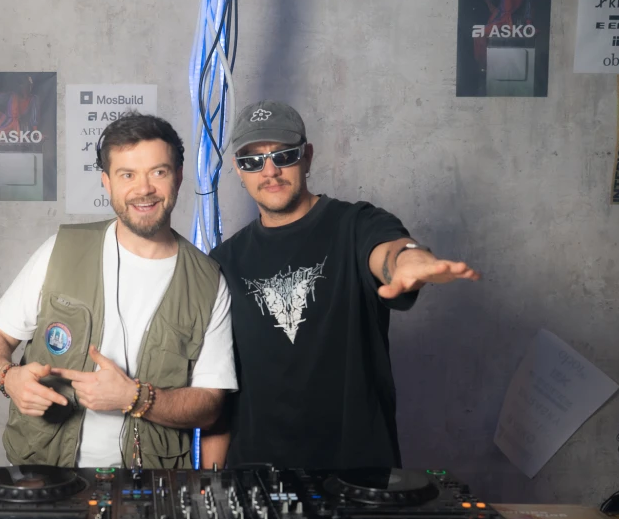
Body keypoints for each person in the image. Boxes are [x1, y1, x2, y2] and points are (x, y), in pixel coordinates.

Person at [204, 101, 479, 470]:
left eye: (284, 155)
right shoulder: (224, 260)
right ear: (239, 169)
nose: (269, 171)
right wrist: (211, 486)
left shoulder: (356, 225)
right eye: (253, 161)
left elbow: (387, 251)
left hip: (358, 475)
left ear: (307, 156)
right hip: (257, 479)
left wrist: (408, 260)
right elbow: (221, 391)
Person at [0, 112, 238, 469]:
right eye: (127, 175)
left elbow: (210, 403)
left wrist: (136, 397)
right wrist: (8, 377)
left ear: (178, 177)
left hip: (150, 483)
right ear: (107, 182)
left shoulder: (207, 281)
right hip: (45, 475)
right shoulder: (61, 250)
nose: (143, 189)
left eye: (158, 172)